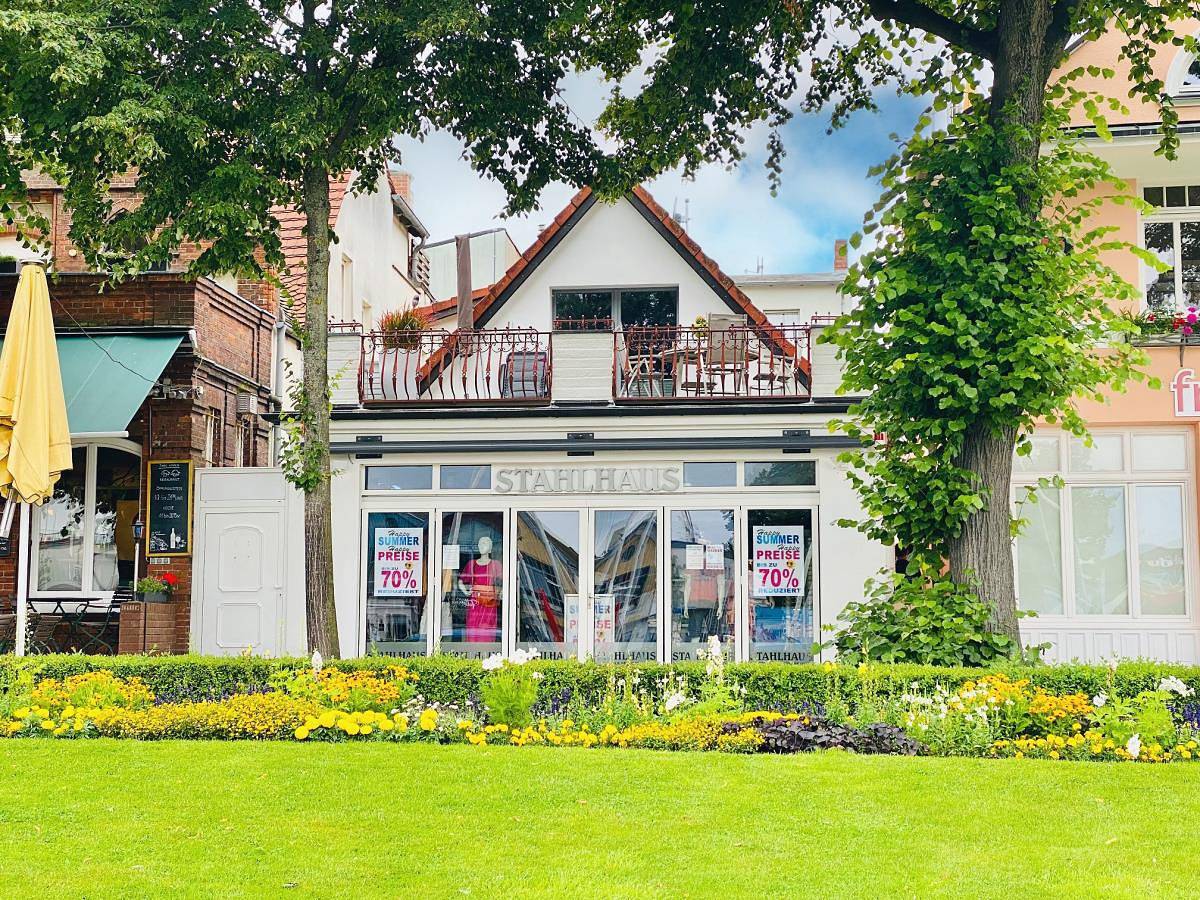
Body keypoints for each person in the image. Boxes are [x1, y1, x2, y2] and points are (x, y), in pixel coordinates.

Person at [461, 535, 502, 641]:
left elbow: (503, 583)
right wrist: (466, 592)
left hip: (489, 604)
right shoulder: (471, 564)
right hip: (475, 605)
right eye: (479, 543)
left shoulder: (495, 565)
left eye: (484, 543)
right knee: (473, 632)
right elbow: (460, 581)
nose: (481, 545)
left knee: (487, 633)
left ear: (490, 547)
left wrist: (501, 593)